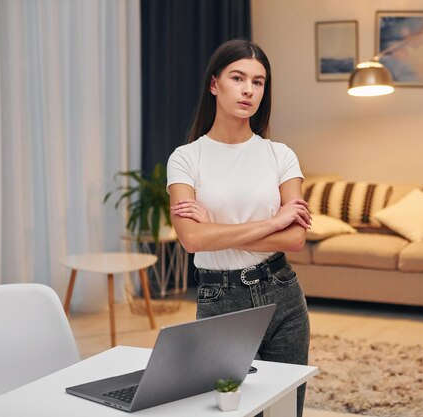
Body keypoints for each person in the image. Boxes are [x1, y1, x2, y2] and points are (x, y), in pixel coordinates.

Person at [166, 39, 311, 417]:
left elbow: (295, 238)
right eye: (238, 77)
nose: (249, 89)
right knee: (227, 410)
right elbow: (192, 238)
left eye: (259, 82)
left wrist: (220, 228)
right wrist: (272, 221)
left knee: (285, 410)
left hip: (283, 294)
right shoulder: (186, 159)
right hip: (221, 300)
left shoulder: (280, 155)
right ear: (215, 84)